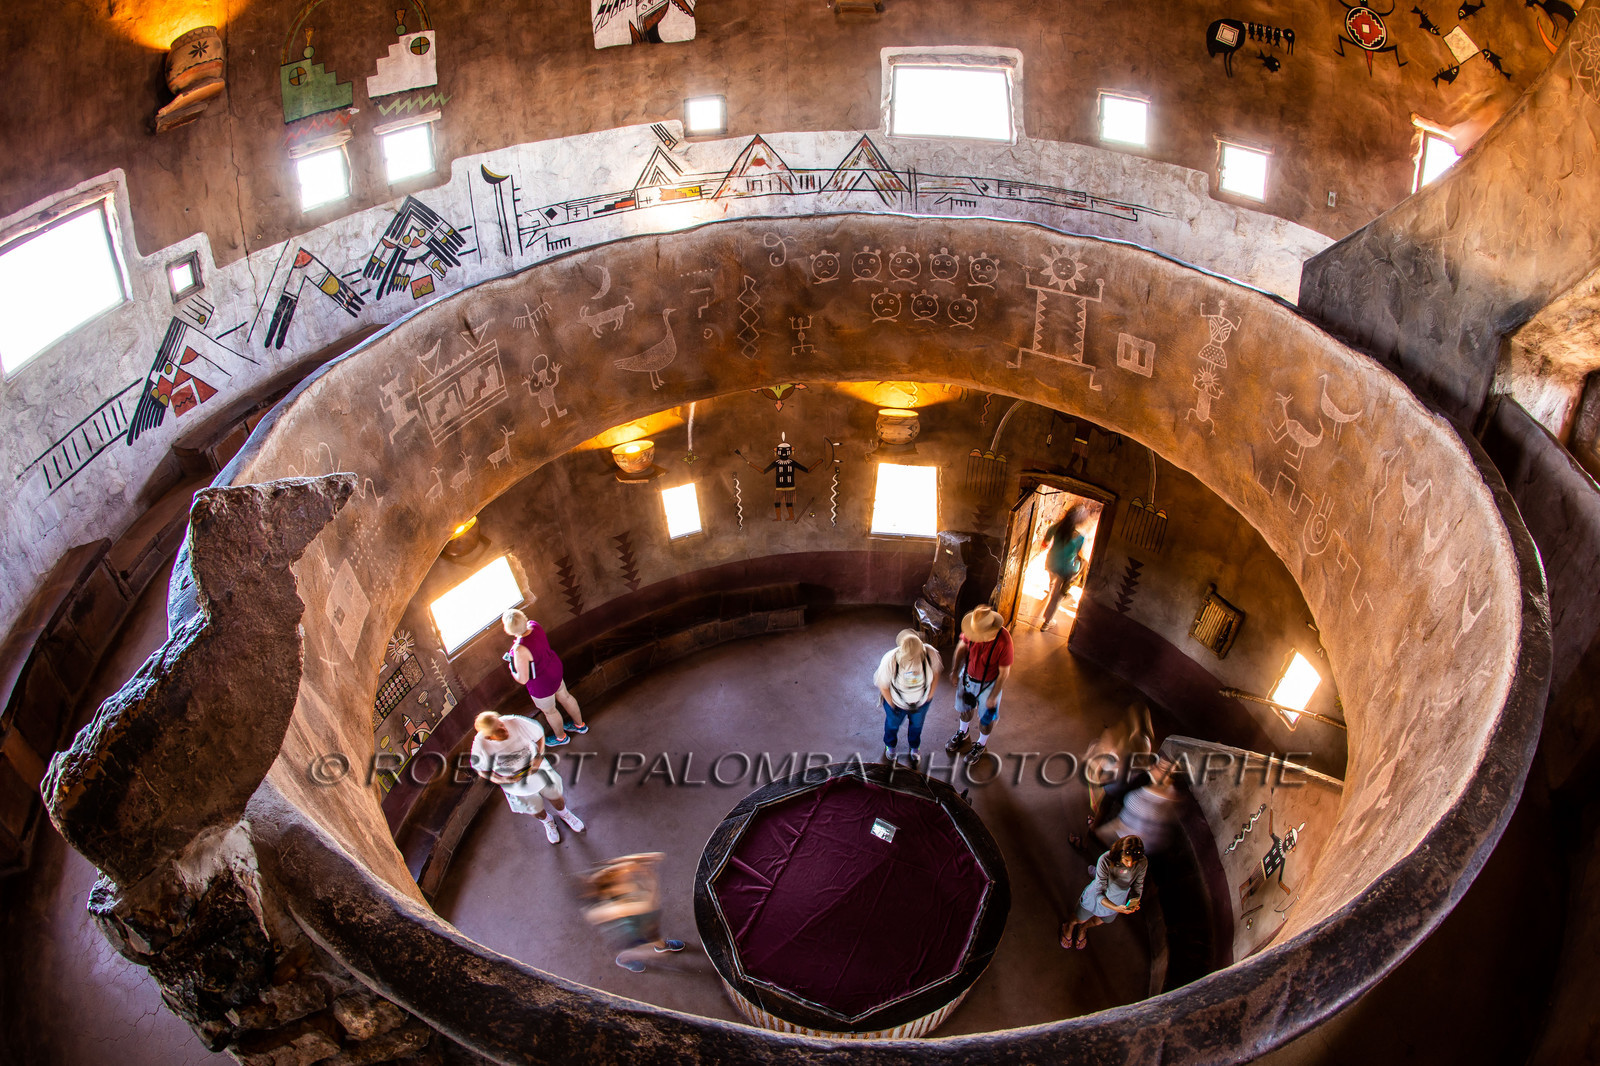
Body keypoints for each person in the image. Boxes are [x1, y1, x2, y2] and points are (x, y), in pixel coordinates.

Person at [470, 711, 585, 845]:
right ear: (488, 736)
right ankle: (548, 821)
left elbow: (539, 735)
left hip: (538, 768)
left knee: (555, 794)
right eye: (498, 729)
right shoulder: (480, 744)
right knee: (534, 809)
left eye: (500, 723)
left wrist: (539, 757)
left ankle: (565, 814)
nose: (503, 728)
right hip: (515, 782)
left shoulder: (514, 721)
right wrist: (502, 780)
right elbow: (481, 770)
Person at [581, 852, 687, 972]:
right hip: (631, 927)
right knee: (639, 947)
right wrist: (651, 877)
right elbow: (646, 905)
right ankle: (624, 959)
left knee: (653, 934)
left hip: (641, 917)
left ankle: (661, 946)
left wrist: (643, 859)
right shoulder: (610, 908)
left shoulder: (606, 878)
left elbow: (626, 863)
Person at [503, 605, 587, 745]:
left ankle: (561, 738)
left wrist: (512, 669)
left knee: (550, 712)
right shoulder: (534, 625)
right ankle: (580, 725)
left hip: (541, 683)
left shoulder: (519, 649)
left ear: (509, 629)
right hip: (553, 669)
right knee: (566, 697)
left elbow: (523, 679)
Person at [944, 604, 1014, 763]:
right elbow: (961, 648)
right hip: (968, 677)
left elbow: (1004, 672)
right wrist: (955, 671)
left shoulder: (1004, 641)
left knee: (986, 720)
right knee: (964, 709)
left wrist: (993, 696)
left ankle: (981, 744)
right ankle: (963, 732)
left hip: (990, 684)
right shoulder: (973, 629)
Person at [1060, 834, 1148, 951]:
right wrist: (1116, 908)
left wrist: (1135, 900)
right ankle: (1069, 926)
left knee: (1099, 921)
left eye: (1134, 862)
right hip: (1097, 898)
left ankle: (1083, 928)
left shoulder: (1142, 862)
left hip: (1118, 899)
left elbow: (1138, 885)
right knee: (1079, 918)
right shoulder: (1105, 859)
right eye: (1126, 860)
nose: (1130, 865)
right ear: (1120, 852)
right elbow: (1098, 894)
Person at [874, 628, 942, 771]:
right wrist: (892, 705)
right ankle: (890, 745)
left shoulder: (930, 653)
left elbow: (936, 672)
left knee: (917, 726)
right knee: (892, 725)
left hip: (921, 704)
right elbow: (883, 685)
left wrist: (929, 695)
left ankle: (914, 747)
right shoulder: (891, 659)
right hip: (897, 704)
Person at [1039, 503, 1091, 630]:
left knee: (1053, 584)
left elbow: (1045, 542)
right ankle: (1047, 622)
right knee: (1057, 596)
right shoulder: (1080, 537)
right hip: (1065, 569)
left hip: (1051, 562)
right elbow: (1080, 555)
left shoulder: (1057, 527)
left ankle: (1051, 590)